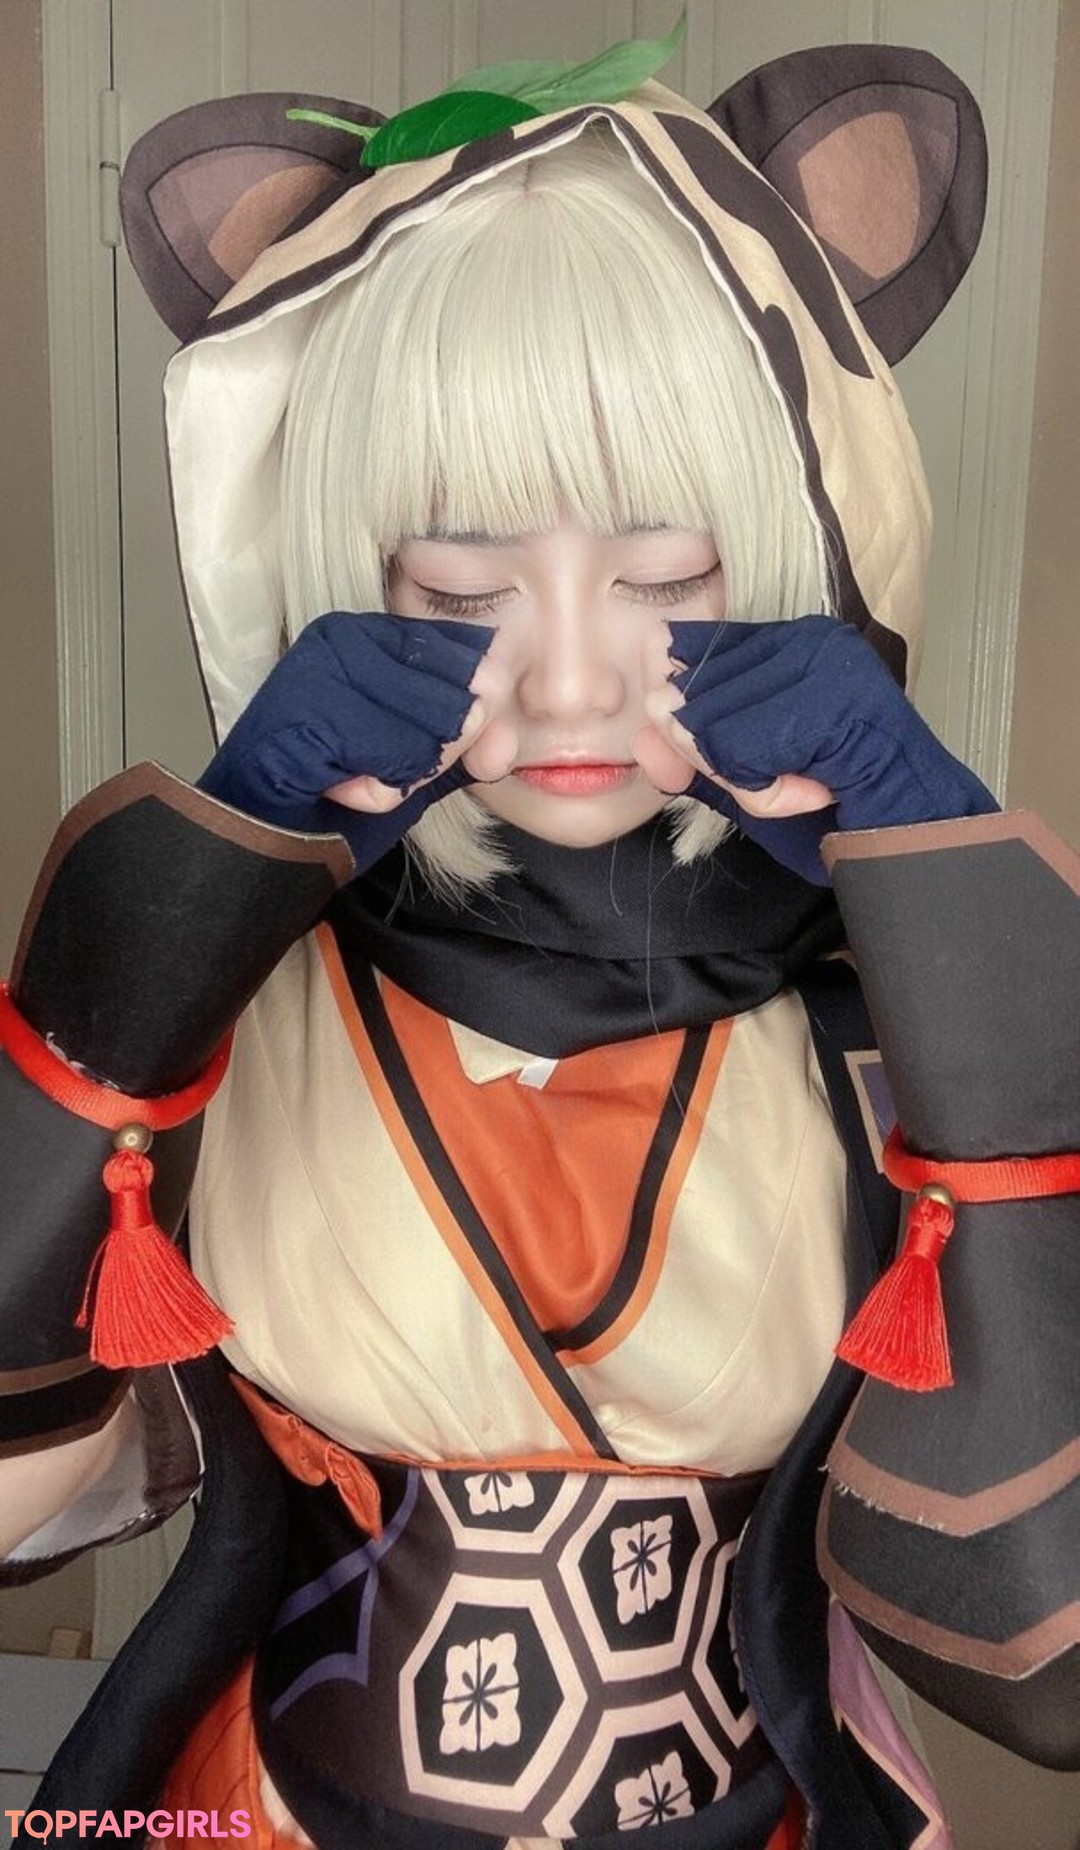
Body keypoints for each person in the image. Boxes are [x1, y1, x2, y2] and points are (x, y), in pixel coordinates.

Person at [1, 32, 1076, 1850]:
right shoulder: (246, 1001)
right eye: (459, 585)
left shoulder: (886, 1016)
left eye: (667, 575)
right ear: (348, 571)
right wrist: (173, 917)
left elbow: (1050, 1660)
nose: (569, 679)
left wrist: (950, 904)